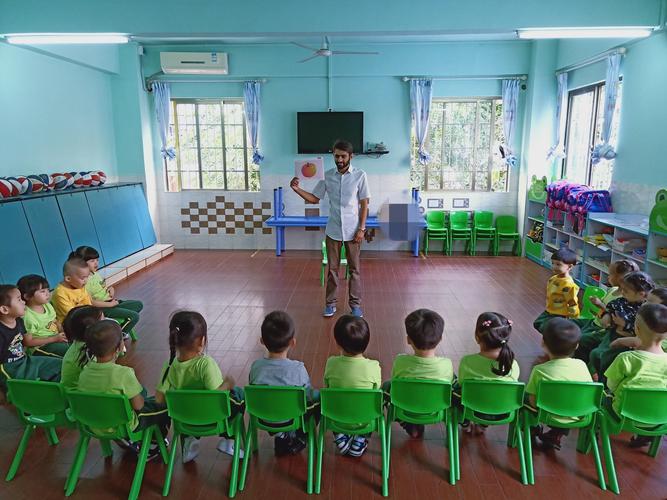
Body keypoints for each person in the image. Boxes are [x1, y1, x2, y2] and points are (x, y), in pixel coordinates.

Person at [290, 139, 370, 318]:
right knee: (332, 270)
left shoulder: (360, 175)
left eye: (343, 156)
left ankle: (355, 305)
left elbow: (364, 204)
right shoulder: (327, 176)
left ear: (351, 156)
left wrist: (362, 229)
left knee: (354, 270)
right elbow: (314, 198)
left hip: (353, 231)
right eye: (336, 156)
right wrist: (296, 189)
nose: (339, 159)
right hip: (333, 230)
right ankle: (330, 304)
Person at [155, 311, 242, 463]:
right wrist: (228, 384)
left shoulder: (169, 366)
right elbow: (216, 395)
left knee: (183, 403)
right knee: (239, 396)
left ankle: (189, 441)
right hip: (211, 418)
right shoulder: (205, 364)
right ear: (202, 341)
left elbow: (159, 399)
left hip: (185, 419)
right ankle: (229, 440)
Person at [76, 320, 169, 459]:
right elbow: (139, 406)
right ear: (119, 347)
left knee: (146, 400)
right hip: (122, 426)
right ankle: (151, 444)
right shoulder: (123, 373)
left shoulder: (84, 371)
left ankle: (137, 441)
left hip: (92, 424)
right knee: (163, 408)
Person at [249, 310, 317, 456]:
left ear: (262, 341)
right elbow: (308, 396)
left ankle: (281, 434)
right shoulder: (298, 369)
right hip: (292, 418)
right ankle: (298, 437)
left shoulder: (256, 367)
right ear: (293, 342)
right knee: (316, 401)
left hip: (264, 417)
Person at [605, 303, 667, 447]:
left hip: (623, 415)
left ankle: (593, 437)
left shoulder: (626, 358)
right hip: (660, 417)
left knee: (603, 399)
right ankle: (646, 434)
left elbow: (611, 385)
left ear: (636, 329)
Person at [525, 318, 592, 450]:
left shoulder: (540, 370)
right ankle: (557, 434)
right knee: (568, 400)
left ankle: (532, 429)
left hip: (546, 413)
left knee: (524, 399)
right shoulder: (582, 365)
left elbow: (533, 401)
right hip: (578, 413)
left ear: (543, 343)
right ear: (577, 345)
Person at [385, 309, 452, 438]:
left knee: (387, 387)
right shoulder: (446, 365)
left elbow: (395, 379)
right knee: (452, 382)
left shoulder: (400, 361)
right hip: (435, 408)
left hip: (407, 405)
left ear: (408, 340)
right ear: (440, 339)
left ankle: (409, 423)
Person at [323, 315, 381, 457]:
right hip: (365, 418)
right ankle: (361, 438)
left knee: (327, 397)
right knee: (374, 403)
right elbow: (376, 391)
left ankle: (340, 435)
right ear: (367, 342)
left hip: (337, 416)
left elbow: (328, 385)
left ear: (337, 343)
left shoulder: (331, 363)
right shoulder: (373, 366)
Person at [457, 312, 519, 434]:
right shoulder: (512, 364)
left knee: (455, 389)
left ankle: (465, 422)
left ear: (477, 337)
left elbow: (461, 384)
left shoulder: (467, 362)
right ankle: (484, 423)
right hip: (502, 411)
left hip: (471, 408)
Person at [589, 271, 654, 380]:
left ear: (641, 294)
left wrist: (625, 324)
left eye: (626, 291)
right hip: (611, 332)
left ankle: (604, 381)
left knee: (601, 356)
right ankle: (593, 372)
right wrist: (606, 315)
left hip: (625, 339)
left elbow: (641, 331)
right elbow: (610, 309)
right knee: (589, 346)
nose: (622, 293)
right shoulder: (622, 301)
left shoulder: (645, 311)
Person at [574, 259, 639, 363]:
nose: (608, 277)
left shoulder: (625, 300)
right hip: (595, 321)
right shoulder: (612, 290)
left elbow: (611, 320)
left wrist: (600, 305)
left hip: (601, 328)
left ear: (621, 279)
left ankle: (582, 363)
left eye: (611, 274)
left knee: (580, 339)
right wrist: (599, 308)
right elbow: (605, 310)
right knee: (568, 326)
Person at [72, 246, 143, 339]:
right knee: (134, 316)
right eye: (92, 261)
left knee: (138, 304)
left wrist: (111, 289)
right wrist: (110, 305)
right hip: (103, 309)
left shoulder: (95, 274)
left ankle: (116, 326)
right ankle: (118, 336)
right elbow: (91, 302)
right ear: (82, 263)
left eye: (97, 260)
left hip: (111, 302)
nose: (96, 263)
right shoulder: (84, 280)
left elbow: (103, 288)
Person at [0, 285, 61, 388]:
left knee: (61, 366)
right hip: (7, 367)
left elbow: (23, 344)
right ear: (5, 309)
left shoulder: (19, 320)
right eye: (19, 300)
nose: (23, 302)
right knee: (22, 390)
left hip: (25, 360)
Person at [17, 274, 69, 357]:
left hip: (55, 338)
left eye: (48, 290)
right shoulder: (27, 317)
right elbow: (28, 342)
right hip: (40, 347)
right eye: (42, 291)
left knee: (77, 344)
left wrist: (63, 332)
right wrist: (54, 339)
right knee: (69, 352)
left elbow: (55, 321)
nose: (47, 294)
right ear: (27, 296)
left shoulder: (47, 305)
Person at [533, 248, 580, 333]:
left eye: (558, 264)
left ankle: (554, 342)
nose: (554, 266)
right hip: (550, 310)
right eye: (553, 263)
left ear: (570, 266)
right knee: (537, 324)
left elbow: (572, 302)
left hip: (560, 314)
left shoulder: (568, 285)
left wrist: (573, 317)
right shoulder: (553, 278)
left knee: (547, 329)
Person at [60, 305, 103, 390]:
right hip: (82, 397)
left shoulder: (78, 344)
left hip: (71, 395)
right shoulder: (91, 354)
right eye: (103, 321)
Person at [51, 257, 92, 324]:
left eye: (87, 277)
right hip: (69, 323)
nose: (86, 281)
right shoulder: (60, 293)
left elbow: (88, 304)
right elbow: (71, 315)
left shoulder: (79, 285)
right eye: (83, 278)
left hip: (83, 316)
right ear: (68, 279)